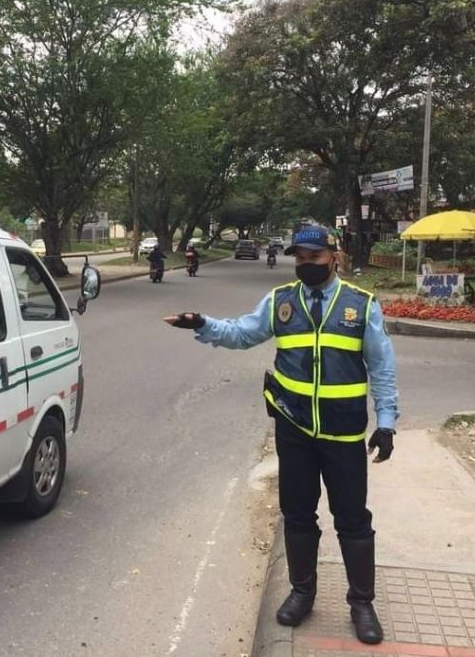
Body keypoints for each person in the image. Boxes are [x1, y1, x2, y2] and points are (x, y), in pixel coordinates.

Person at [162, 225, 398, 645]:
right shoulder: (281, 302)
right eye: (300, 257)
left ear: (334, 256)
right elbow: (241, 333)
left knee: (352, 520)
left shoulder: (360, 305)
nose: (306, 263)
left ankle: (362, 603)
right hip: (295, 431)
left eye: (315, 256)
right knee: (298, 514)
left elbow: (381, 367)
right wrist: (203, 324)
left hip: (343, 435)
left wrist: (386, 422)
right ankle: (302, 592)